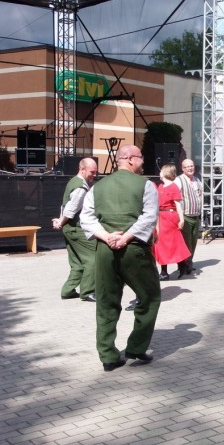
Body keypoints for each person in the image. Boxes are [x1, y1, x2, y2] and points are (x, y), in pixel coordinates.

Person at [79, 145, 161, 372]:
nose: (143, 161)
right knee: (150, 296)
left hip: (105, 249)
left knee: (106, 301)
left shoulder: (98, 186)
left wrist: (106, 236)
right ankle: (136, 347)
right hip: (134, 249)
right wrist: (125, 237)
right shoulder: (146, 185)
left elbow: (86, 218)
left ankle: (108, 356)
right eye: (141, 157)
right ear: (131, 159)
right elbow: (149, 217)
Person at [52, 158, 98, 302]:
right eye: (92, 172)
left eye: (95, 172)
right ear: (82, 169)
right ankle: (88, 291)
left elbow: (64, 206)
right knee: (93, 258)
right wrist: (61, 222)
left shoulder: (73, 182)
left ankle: (67, 290)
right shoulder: (80, 187)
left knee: (77, 262)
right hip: (76, 229)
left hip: (69, 229)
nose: (94, 175)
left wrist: (60, 221)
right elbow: (71, 209)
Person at [153, 164, 191, 281]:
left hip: (169, 217)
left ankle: (176, 267)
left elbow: (178, 205)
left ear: (166, 173)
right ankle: (169, 269)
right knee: (161, 244)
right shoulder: (160, 186)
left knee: (172, 243)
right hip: (160, 217)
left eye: (161, 171)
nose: (159, 173)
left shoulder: (173, 187)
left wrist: (181, 219)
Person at [175, 159, 203, 278]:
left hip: (196, 215)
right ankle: (184, 264)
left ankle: (189, 263)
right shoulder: (179, 180)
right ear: (183, 168)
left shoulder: (197, 180)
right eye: (188, 167)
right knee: (186, 242)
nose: (190, 168)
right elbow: (175, 199)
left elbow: (200, 196)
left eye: (192, 166)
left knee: (193, 241)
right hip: (185, 216)